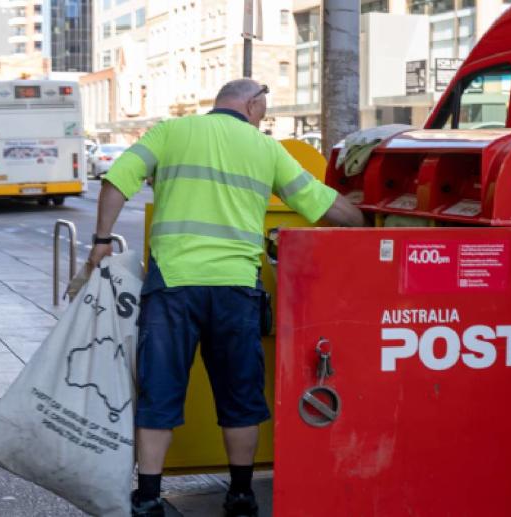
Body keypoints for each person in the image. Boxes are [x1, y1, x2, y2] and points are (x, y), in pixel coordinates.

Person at [87, 79, 364, 517]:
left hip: (173, 286)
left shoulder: (171, 132)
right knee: (240, 394)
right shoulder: (266, 148)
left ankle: (149, 496)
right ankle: (240, 494)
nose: (262, 118)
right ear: (252, 104)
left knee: (159, 390)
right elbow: (320, 203)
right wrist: (368, 221)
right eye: (263, 111)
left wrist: (102, 240)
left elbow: (117, 180)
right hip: (236, 288)